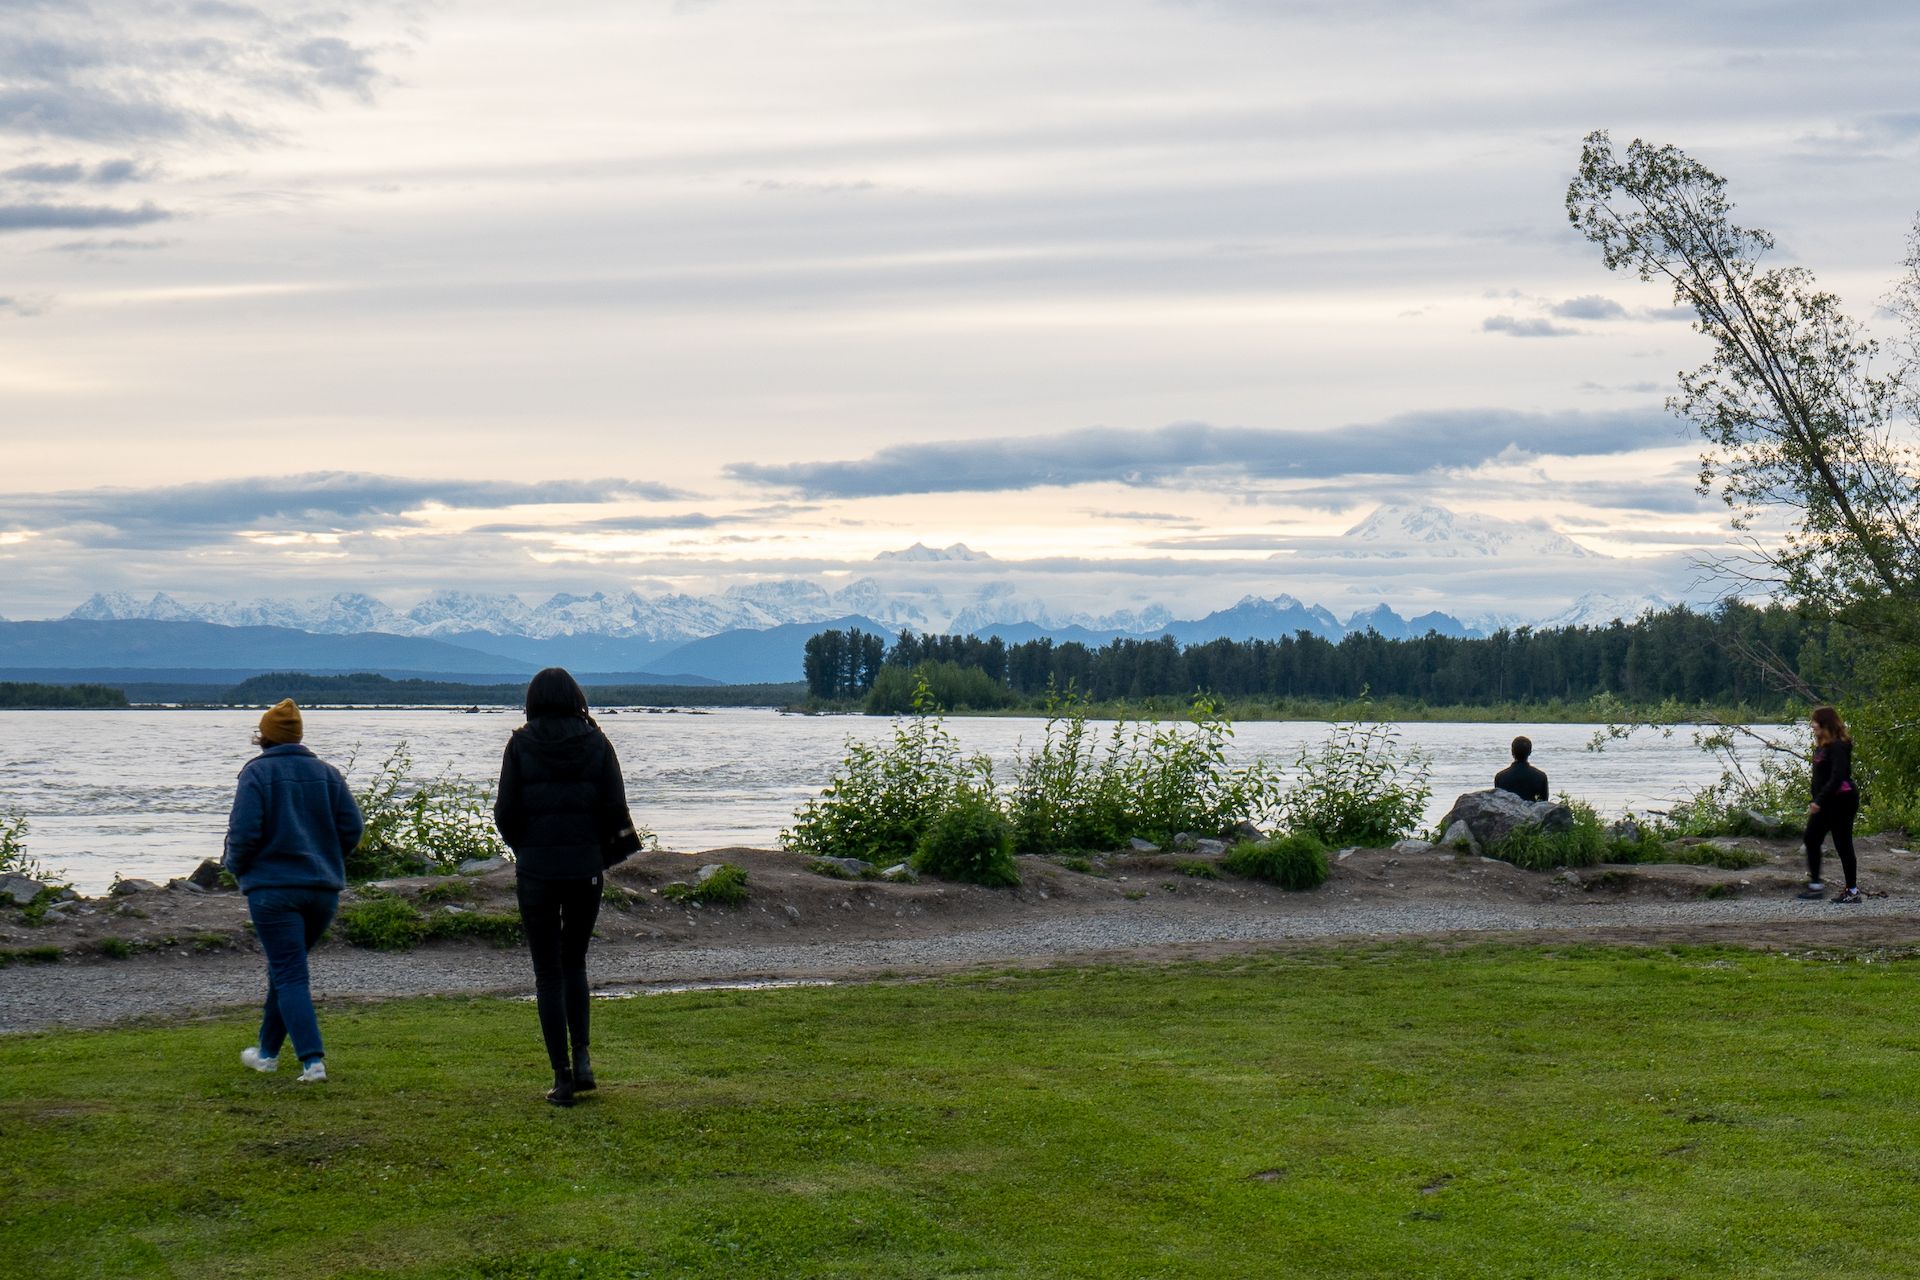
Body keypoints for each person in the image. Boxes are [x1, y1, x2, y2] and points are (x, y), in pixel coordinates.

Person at [493, 667, 638, 1106]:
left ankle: (561, 1077)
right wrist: (597, 854)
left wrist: (528, 849)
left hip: (536, 872)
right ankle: (584, 1058)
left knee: (547, 972)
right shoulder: (597, 742)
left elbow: (504, 812)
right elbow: (615, 806)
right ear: (576, 697)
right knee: (574, 962)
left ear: (533, 700)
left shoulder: (520, 744)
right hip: (584, 871)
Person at [224, 698, 364, 1085]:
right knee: (284, 971)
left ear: (263, 737)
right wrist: (329, 856)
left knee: (288, 974)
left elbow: (245, 833)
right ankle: (266, 1054)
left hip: (272, 891)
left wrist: (235, 867)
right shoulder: (328, 773)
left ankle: (312, 1060)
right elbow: (352, 828)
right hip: (322, 891)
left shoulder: (256, 774)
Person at [1799, 705, 1861, 903]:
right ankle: (1815, 886)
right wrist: (1816, 798)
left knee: (1843, 844)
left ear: (1825, 723)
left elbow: (1838, 776)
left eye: (1815, 721)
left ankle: (1852, 891)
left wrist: (1819, 800)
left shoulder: (1838, 746)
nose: (1812, 725)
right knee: (1811, 838)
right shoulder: (1823, 746)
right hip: (1826, 802)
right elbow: (1819, 777)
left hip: (1842, 801)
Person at [1494, 735, 1549, 802]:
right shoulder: (1541, 776)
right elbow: (1544, 804)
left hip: (1508, 812)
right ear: (1530, 752)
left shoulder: (1500, 777)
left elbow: (1497, 803)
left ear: (1512, 752)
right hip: (1531, 812)